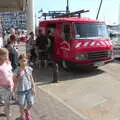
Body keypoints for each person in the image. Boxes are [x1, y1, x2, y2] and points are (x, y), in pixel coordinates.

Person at [13, 54, 35, 120]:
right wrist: (19, 77)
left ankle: (26, 111)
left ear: (27, 61)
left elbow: (31, 79)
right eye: (21, 61)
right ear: (19, 61)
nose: (23, 62)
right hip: (21, 91)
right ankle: (22, 116)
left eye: (24, 60)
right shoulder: (17, 70)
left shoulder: (29, 69)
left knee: (31, 103)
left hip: (29, 90)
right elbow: (13, 80)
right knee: (21, 105)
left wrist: (33, 88)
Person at [0, 48, 14, 120]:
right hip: (3, 87)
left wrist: (12, 83)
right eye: (5, 55)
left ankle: (5, 110)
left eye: (7, 55)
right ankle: (8, 117)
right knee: (7, 103)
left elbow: (10, 72)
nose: (7, 56)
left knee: (7, 102)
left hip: (10, 86)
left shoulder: (7, 63)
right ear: (0, 56)